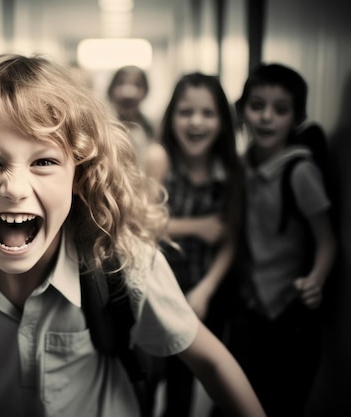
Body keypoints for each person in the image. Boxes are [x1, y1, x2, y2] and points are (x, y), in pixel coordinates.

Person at [0, 54, 265, 417]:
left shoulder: (121, 261)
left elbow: (210, 363)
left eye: (44, 161)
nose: (14, 188)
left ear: (79, 177)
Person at [221, 63, 337, 417]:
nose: (266, 118)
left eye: (280, 110)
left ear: (296, 117)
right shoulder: (240, 167)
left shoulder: (300, 171)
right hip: (250, 307)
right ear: (242, 111)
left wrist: (316, 280)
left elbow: (327, 240)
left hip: (290, 312)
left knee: (282, 401)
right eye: (257, 106)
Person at [149, 73, 244, 417]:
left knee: (199, 376)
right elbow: (140, 225)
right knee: (156, 380)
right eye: (185, 112)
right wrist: (198, 227)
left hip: (206, 292)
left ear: (223, 121)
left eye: (208, 113)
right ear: (171, 116)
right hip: (158, 289)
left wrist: (205, 291)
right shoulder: (159, 159)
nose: (196, 122)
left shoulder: (231, 171)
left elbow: (229, 240)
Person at [107, 65, 164, 180]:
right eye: (121, 84)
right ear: (111, 90)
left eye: (137, 85)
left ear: (146, 91)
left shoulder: (153, 129)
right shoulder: (102, 127)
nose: (128, 92)